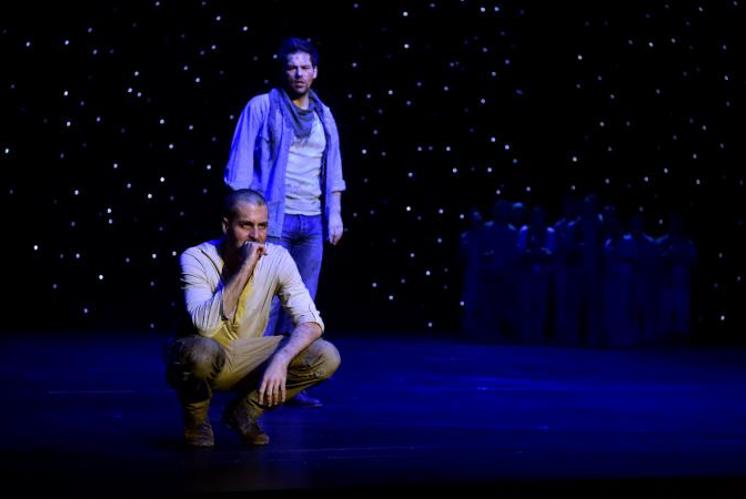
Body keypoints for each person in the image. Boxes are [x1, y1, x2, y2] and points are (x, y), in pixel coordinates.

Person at [165, 189, 341, 447]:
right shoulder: (196, 258)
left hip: (245, 353)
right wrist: (246, 266)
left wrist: (281, 358)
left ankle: (244, 413)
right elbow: (204, 326)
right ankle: (197, 422)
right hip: (201, 352)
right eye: (246, 226)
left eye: (262, 226)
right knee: (201, 352)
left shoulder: (278, 258)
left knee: (326, 355)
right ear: (226, 225)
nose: (256, 236)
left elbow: (312, 321)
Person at [223, 37, 346, 408]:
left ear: (315, 72)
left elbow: (333, 168)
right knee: (264, 302)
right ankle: (250, 378)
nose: (299, 73)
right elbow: (240, 164)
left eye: (305, 67)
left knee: (302, 304)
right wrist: (245, 221)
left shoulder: (324, 115)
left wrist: (335, 213)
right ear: (283, 71)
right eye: (292, 67)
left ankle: (290, 382)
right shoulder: (262, 106)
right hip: (272, 220)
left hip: (311, 222)